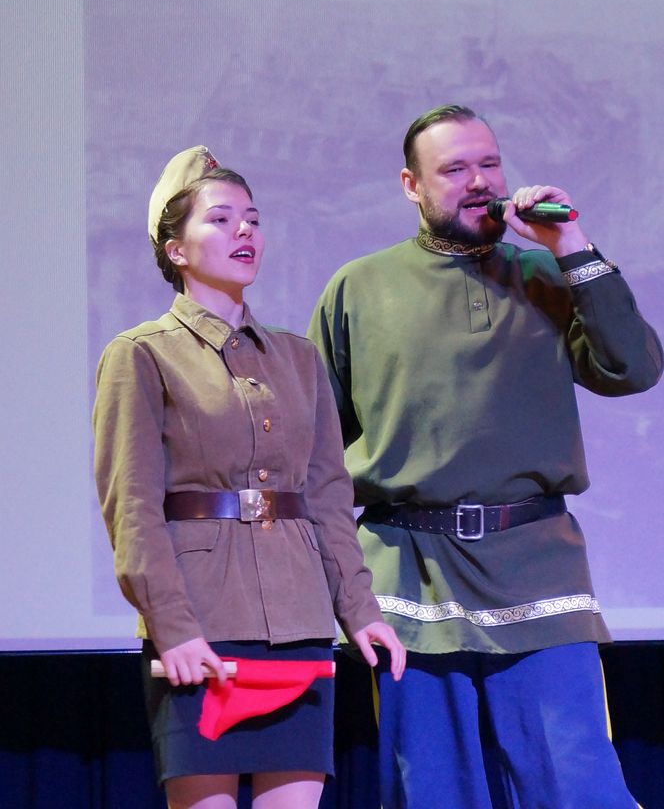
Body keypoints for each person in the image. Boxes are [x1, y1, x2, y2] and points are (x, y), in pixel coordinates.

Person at [307, 104, 662, 809]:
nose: (479, 181)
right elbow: (316, 454)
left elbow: (634, 368)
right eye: (455, 168)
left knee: (578, 784)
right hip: (411, 576)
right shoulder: (358, 287)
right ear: (411, 185)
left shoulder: (547, 272)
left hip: (539, 567)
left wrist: (572, 244)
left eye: (490, 163)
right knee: (434, 791)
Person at [93, 145, 405, 809]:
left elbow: (327, 498)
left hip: (299, 621)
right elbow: (132, 509)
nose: (245, 231)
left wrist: (360, 610)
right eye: (220, 219)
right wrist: (171, 625)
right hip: (202, 623)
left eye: (253, 220)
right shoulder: (141, 355)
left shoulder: (298, 358)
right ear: (175, 250)